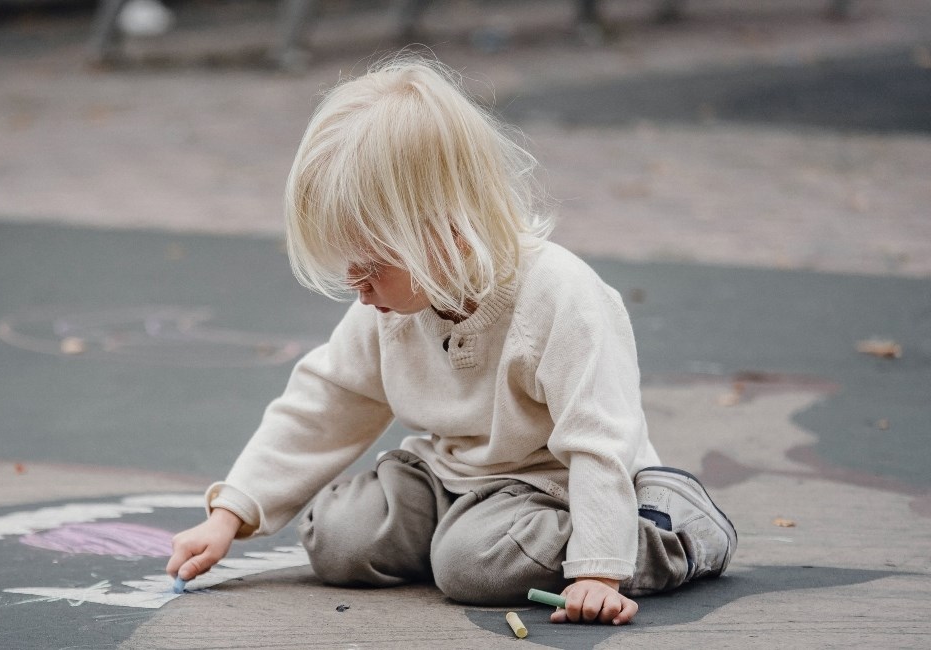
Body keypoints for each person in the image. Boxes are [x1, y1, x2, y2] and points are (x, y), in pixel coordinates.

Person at [166, 55, 736, 625]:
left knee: (476, 565)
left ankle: (667, 532)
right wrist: (229, 514)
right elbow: (327, 401)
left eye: (370, 267)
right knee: (338, 537)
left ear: (450, 235)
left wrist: (598, 569)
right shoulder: (392, 305)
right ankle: (458, 539)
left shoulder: (560, 296)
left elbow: (598, 441)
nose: (356, 289)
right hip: (451, 477)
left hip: (552, 486)